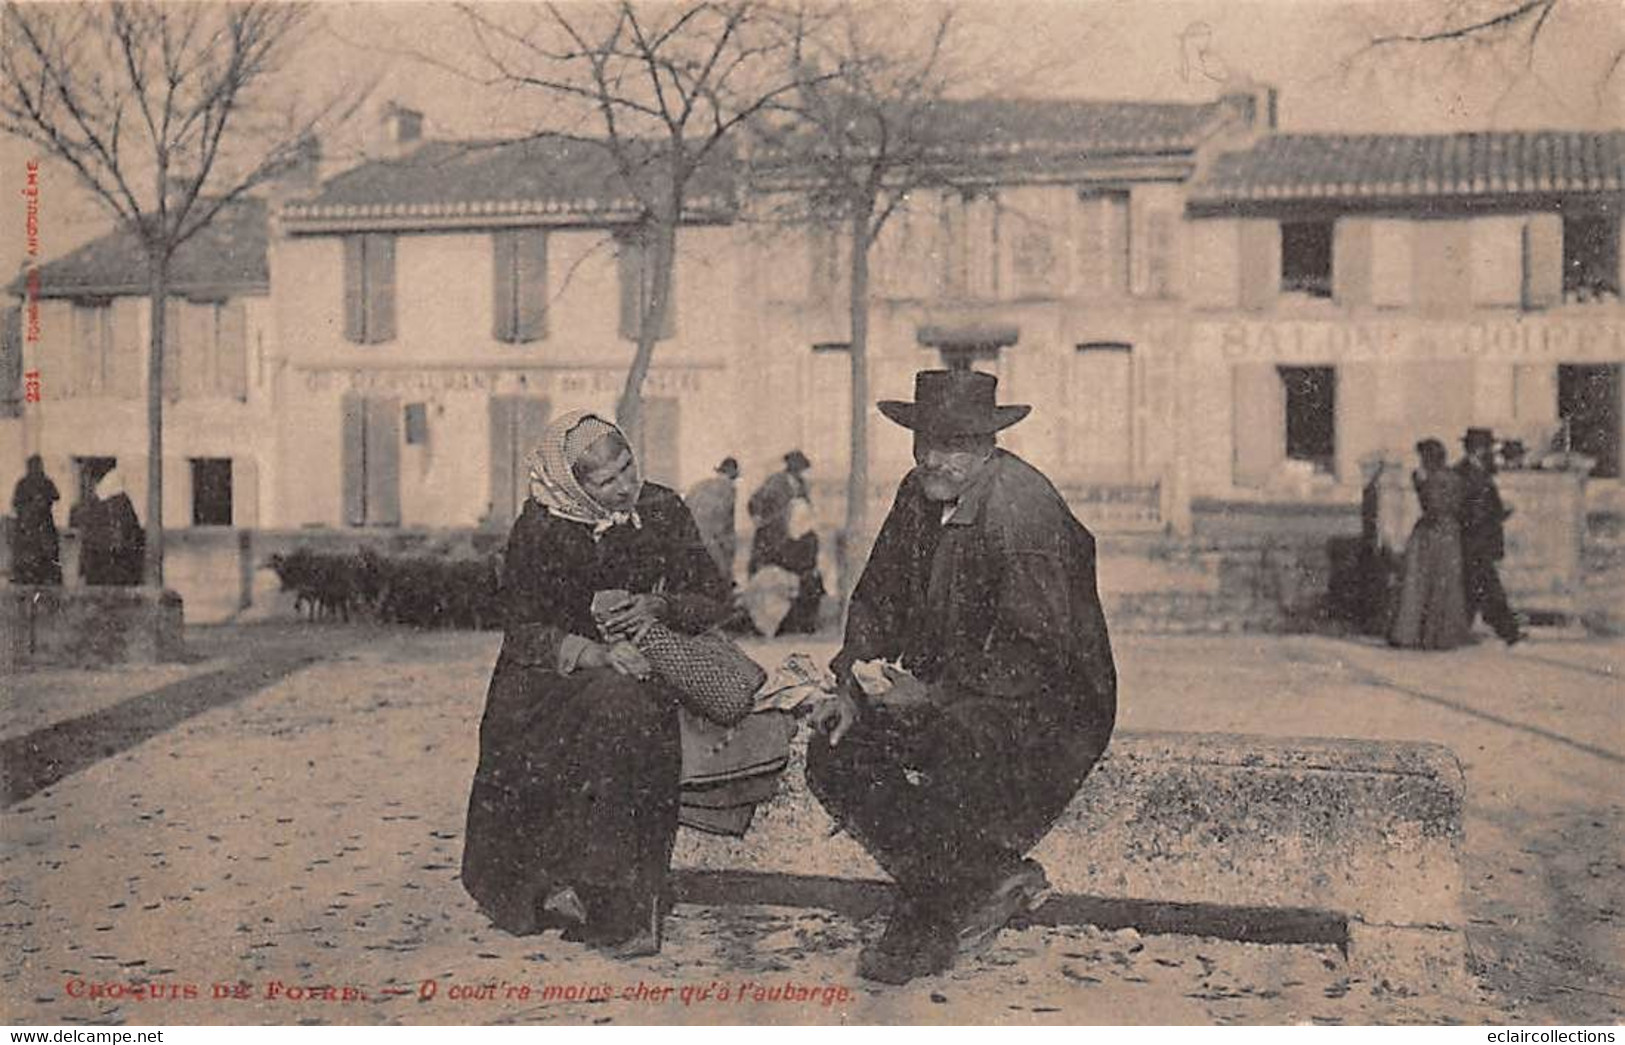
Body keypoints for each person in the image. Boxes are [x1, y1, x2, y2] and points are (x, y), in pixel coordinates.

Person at [806, 369, 1118, 985]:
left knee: (955, 747)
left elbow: (1038, 653)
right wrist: (849, 683)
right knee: (833, 752)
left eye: (953, 446)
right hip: (958, 682)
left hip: (1051, 702)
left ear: (988, 445)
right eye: (923, 442)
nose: (932, 459)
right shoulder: (917, 492)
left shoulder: (1023, 514)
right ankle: (988, 878)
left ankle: (925, 923)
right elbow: (876, 599)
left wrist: (933, 695)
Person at [460, 409, 732, 958]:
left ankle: (624, 899)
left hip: (645, 665)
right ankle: (559, 886)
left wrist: (661, 605)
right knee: (577, 724)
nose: (626, 486)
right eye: (607, 482)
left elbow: (714, 597)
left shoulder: (662, 509)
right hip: (551, 680)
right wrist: (594, 653)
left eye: (628, 467)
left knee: (626, 712)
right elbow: (524, 631)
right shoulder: (541, 527)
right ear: (574, 485)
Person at [1388, 439, 1469, 650]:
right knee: (1444, 585)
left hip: (1432, 535)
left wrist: (1420, 485)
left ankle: (1416, 634)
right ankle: (1441, 635)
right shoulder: (1454, 477)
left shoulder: (1432, 479)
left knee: (1420, 582)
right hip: (1451, 534)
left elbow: (1432, 507)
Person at [1455, 427, 1524, 646]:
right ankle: (1508, 631)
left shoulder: (1477, 470)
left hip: (1479, 539)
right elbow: (1470, 510)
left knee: (1474, 588)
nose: (1492, 452)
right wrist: (1500, 513)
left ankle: (1462, 631)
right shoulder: (1465, 472)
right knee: (1487, 587)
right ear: (1478, 449)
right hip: (1475, 539)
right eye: (1488, 447)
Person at [747, 450, 823, 634]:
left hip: (794, 538)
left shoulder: (801, 485)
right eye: (798, 467)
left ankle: (797, 624)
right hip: (775, 537)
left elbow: (805, 512)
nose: (800, 471)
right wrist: (760, 518)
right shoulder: (776, 481)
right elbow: (754, 502)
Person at [76, 468, 145, 586]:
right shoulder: (124, 503)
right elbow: (135, 535)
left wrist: (82, 566)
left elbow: (88, 536)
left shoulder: (96, 504)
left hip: (99, 562)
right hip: (120, 561)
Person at [684, 457, 740, 581]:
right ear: (734, 475)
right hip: (710, 544)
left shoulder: (698, 486)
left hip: (689, 541)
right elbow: (726, 528)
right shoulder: (729, 490)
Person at [10, 454, 62, 585]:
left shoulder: (45, 482)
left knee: (47, 555)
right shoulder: (23, 483)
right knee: (28, 556)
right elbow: (16, 503)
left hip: (43, 525)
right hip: (29, 527)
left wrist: (43, 500)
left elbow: (56, 496)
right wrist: (31, 504)